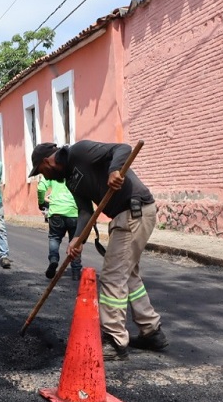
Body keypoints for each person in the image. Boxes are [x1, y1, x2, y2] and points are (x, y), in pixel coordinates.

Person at [29, 141, 168, 361]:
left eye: (41, 172)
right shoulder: (70, 181)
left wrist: (114, 171)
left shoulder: (80, 151)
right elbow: (85, 211)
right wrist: (77, 238)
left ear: (47, 161)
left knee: (113, 276)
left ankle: (114, 340)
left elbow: (122, 148)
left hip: (134, 210)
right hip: (129, 214)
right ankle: (151, 331)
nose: (44, 177)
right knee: (128, 274)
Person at [37, 176, 82, 281]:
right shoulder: (75, 169)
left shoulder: (53, 169)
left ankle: (53, 260)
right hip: (74, 212)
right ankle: (75, 271)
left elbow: (40, 188)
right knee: (75, 241)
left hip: (56, 212)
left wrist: (41, 203)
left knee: (54, 238)